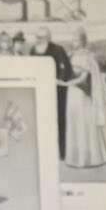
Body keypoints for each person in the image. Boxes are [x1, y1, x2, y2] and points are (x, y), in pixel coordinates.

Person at [64, 31, 106, 169]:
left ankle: (89, 158)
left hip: (82, 95)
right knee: (74, 121)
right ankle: (75, 158)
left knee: (84, 122)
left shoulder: (88, 57)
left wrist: (65, 83)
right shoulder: (71, 55)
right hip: (72, 93)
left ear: (83, 41)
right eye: (73, 39)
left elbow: (83, 78)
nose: (74, 42)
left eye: (77, 39)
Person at [32, 28, 75, 159]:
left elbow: (66, 69)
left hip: (58, 92)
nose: (39, 40)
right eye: (37, 37)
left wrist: (59, 80)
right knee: (42, 121)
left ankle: (62, 152)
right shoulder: (33, 50)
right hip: (40, 91)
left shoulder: (58, 49)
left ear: (48, 38)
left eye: (42, 38)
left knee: (60, 121)